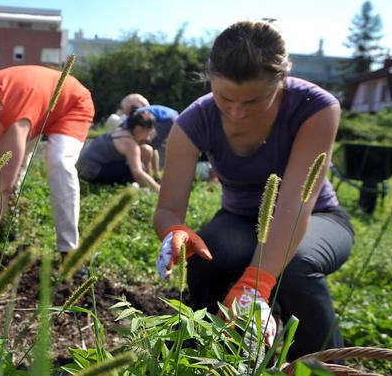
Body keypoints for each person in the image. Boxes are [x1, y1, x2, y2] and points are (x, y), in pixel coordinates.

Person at [152, 20, 354, 360]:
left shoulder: (315, 107)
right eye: (224, 98)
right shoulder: (193, 122)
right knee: (205, 257)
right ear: (210, 79)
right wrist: (174, 230)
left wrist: (257, 281)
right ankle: (209, 351)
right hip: (240, 219)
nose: (236, 113)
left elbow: (295, 205)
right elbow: (167, 208)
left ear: (281, 81)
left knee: (295, 264)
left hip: (316, 217)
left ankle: (322, 364)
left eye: (253, 101)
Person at [0, 65, 95, 254]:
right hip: (34, 101)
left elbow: (4, 189)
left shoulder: (14, 123)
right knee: (3, 165)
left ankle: (68, 250)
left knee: (59, 163)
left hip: (71, 102)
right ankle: (7, 224)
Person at [77, 109, 160, 191]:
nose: (150, 134)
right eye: (149, 130)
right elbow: (137, 172)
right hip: (91, 173)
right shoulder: (130, 144)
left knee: (135, 162)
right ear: (139, 128)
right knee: (135, 169)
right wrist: (157, 189)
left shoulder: (120, 132)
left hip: (82, 170)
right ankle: (144, 188)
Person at [123, 104, 178, 172]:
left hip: (167, 119)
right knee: (149, 146)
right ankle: (154, 172)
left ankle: (148, 172)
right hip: (173, 116)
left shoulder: (128, 126)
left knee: (147, 146)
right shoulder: (129, 121)